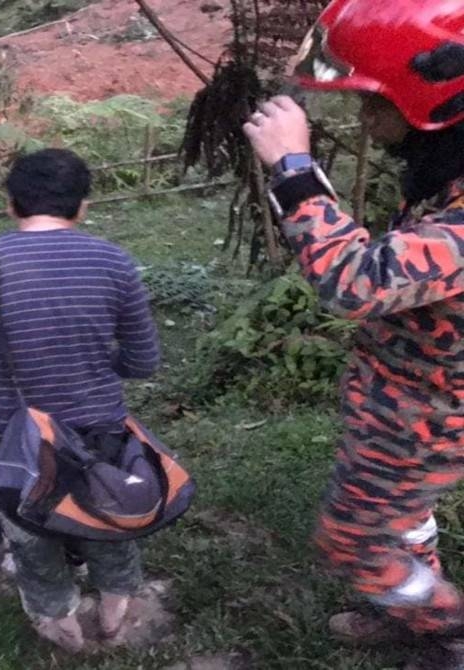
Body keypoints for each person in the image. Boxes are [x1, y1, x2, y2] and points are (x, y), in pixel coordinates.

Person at [242, 2, 464, 667]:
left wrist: (294, 172)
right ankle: (412, 610)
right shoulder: (444, 171)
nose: (364, 120)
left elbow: (358, 284)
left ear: (431, 97)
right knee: (401, 518)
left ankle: (443, 622)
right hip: (402, 393)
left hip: (427, 415)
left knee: (353, 542)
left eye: (373, 101)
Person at [0, 148, 161, 652]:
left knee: (31, 534)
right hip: (98, 429)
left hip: (12, 435)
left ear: (10, 203)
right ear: (82, 206)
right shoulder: (114, 261)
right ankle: (112, 615)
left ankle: (59, 623)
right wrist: (96, 364)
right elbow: (144, 362)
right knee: (109, 518)